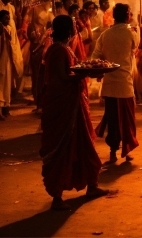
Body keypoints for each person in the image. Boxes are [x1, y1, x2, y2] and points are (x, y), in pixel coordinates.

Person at [39, 15, 107, 210]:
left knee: (84, 143)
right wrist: (85, 74)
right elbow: (62, 76)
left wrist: (86, 72)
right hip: (63, 106)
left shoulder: (61, 48)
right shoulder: (59, 50)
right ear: (69, 31)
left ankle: (92, 185)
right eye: (74, 27)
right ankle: (57, 198)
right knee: (63, 149)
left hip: (72, 104)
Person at [93, 3, 139, 163]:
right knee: (126, 120)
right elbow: (136, 47)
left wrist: (100, 68)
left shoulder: (105, 35)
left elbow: (96, 55)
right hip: (125, 83)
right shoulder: (131, 33)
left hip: (110, 83)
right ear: (127, 15)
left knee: (113, 119)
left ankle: (113, 150)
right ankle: (125, 150)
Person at [0, 0, 23, 93]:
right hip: (1, 43)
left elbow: (14, 24)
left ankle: (7, 100)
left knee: (9, 70)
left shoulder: (12, 8)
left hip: (12, 43)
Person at [0, 10, 15, 119]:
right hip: (1, 59)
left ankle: (5, 108)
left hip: (7, 59)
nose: (8, 20)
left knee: (7, 84)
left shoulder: (8, 29)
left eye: (8, 18)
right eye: (5, 18)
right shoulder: (1, 29)